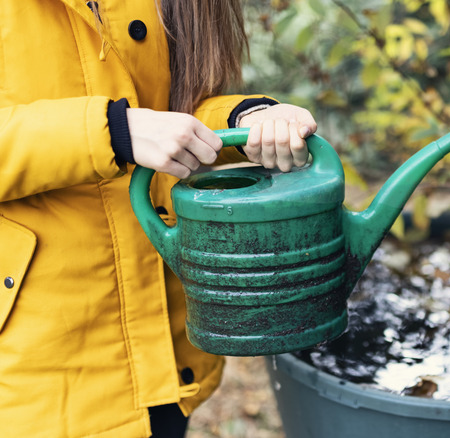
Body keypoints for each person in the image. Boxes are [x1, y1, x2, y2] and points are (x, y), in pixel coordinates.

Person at [0, 1, 317, 436]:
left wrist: (243, 119)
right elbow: (132, 127)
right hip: (33, 359)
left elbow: (170, 107)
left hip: (163, 345)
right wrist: (109, 131)